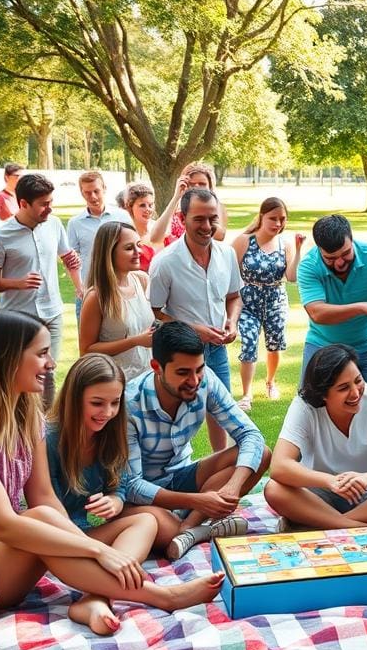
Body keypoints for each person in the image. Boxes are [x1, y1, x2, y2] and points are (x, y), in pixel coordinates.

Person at [0, 310, 224, 635]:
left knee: (135, 518)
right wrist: (98, 550)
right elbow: (5, 524)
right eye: (42, 353)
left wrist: (88, 546)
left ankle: (97, 598)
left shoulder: (27, 415)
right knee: (38, 517)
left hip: (7, 550)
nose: (51, 364)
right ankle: (162, 596)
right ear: (8, 357)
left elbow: (44, 497)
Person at [45, 354, 175, 632]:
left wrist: (115, 501)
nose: (107, 412)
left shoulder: (109, 432)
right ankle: (121, 595)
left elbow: (121, 484)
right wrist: (96, 548)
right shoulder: (49, 438)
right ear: (74, 398)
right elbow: (46, 504)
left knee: (147, 520)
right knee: (152, 522)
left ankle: (95, 598)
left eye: (115, 403)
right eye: (97, 403)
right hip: (59, 541)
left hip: (91, 534)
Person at [122, 321, 270, 560]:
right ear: (156, 367)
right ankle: (197, 528)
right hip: (144, 497)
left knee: (261, 453)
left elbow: (249, 434)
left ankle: (189, 529)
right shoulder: (128, 404)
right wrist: (198, 501)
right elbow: (132, 486)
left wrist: (232, 487)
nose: (194, 380)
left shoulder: (206, 380)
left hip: (183, 476)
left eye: (199, 369)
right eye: (183, 373)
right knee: (156, 527)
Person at [265, 344, 367, 530]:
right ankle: (358, 526)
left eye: (358, 381)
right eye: (343, 388)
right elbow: (279, 466)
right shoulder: (304, 406)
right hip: (318, 493)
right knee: (274, 489)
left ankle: (318, 524)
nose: (356, 393)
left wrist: (366, 478)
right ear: (323, 394)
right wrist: (330, 481)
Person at [149, 187, 242, 452]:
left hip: (217, 349)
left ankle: (220, 465)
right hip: (179, 354)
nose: (207, 225)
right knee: (175, 417)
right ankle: (172, 471)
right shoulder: (165, 262)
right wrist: (193, 331)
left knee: (221, 413)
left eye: (212, 218)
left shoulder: (226, 254)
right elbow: (153, 311)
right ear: (182, 218)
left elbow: (234, 296)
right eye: (199, 219)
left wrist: (232, 322)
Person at [297, 214, 367, 407]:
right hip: (324, 344)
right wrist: (363, 307)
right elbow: (317, 313)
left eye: (345, 253)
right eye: (330, 258)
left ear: (352, 239)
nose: (339, 263)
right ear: (319, 250)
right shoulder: (308, 266)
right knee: (310, 402)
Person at [0, 173, 82, 407]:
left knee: (48, 373)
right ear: (23, 204)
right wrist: (18, 283)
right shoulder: (1, 235)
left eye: (51, 202)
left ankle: (42, 429)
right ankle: (16, 427)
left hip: (52, 313)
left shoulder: (53, 225)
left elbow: (68, 257)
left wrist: (79, 286)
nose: (50, 209)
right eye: (44, 204)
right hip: (19, 317)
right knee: (17, 376)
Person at [231, 197, 306, 411]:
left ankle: (270, 381)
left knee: (274, 345)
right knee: (248, 343)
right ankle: (246, 394)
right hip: (248, 301)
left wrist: (299, 250)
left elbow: (291, 277)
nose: (278, 224)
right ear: (262, 216)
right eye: (273, 218)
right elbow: (228, 270)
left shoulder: (286, 244)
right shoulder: (244, 241)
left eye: (282, 219)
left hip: (275, 300)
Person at [79, 222, 155, 381]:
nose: (138, 252)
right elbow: (86, 351)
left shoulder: (142, 280)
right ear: (109, 253)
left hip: (147, 378)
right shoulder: (97, 297)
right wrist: (135, 341)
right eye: (129, 248)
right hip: (115, 382)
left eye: (138, 245)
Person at [66, 170, 132, 321]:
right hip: (88, 291)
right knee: (88, 342)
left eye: (96, 191)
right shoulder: (75, 223)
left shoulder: (121, 217)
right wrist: (79, 287)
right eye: (88, 193)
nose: (93, 197)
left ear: (104, 189)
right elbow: (71, 259)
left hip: (118, 289)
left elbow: (131, 248)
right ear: (82, 193)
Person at [150, 162, 227, 246]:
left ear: (210, 187)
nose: (197, 187)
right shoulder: (175, 209)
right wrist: (176, 197)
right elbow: (155, 238)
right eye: (191, 184)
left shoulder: (216, 207)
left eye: (202, 184)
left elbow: (219, 236)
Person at [118, 182, 159, 272]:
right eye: (142, 205)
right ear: (130, 207)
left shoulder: (159, 228)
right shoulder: (125, 234)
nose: (148, 209)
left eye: (150, 205)